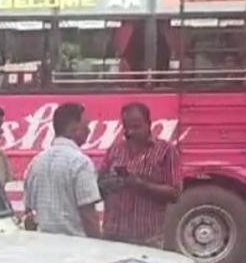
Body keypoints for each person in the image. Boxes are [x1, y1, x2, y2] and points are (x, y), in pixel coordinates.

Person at [97, 102, 183, 248]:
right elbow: (99, 184)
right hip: (113, 236)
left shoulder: (166, 151)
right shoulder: (115, 150)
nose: (130, 132)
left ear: (149, 124)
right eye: (126, 127)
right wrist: (108, 183)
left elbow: (175, 193)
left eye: (136, 127)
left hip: (147, 239)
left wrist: (141, 185)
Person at [22, 103, 101, 237]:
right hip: (75, 246)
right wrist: (100, 246)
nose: (89, 131)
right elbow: (88, 215)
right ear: (73, 128)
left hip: (43, 246)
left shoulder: (36, 162)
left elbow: (29, 211)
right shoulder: (80, 162)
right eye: (86, 126)